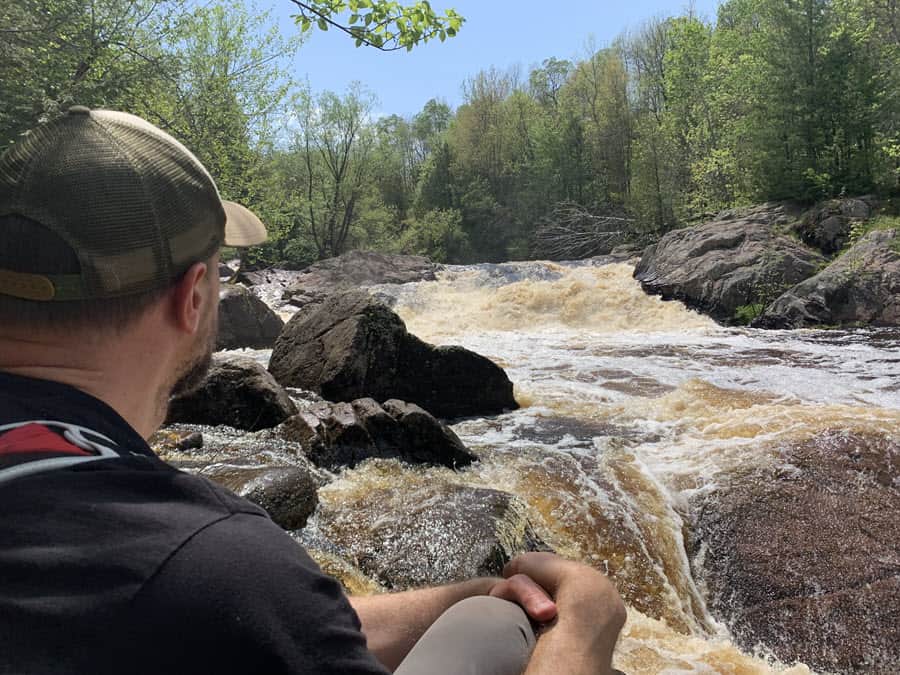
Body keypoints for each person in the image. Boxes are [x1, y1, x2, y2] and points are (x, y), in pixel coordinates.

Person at [0, 107, 626, 674]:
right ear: (192, 297)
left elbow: (262, 625)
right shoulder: (201, 557)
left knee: (481, 610)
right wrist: (582, 635)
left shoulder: (187, 576)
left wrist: (466, 593)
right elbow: (223, 603)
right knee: (497, 629)